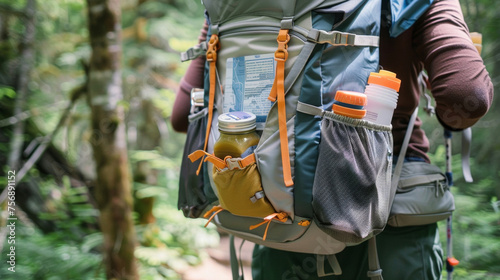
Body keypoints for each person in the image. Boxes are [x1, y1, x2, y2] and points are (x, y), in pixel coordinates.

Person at [171, 0, 494, 278]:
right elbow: (466, 97)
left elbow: (182, 114)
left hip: (276, 218)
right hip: (388, 228)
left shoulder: (236, 7)